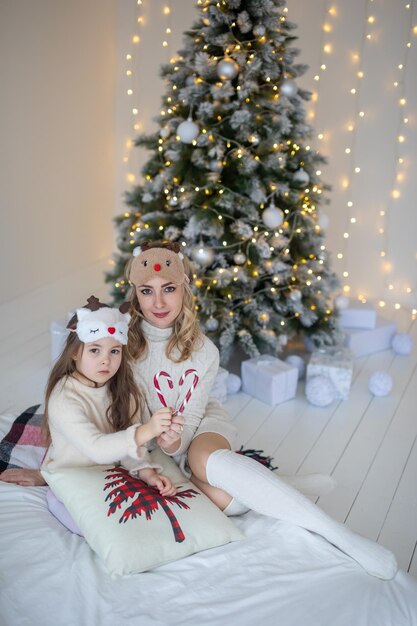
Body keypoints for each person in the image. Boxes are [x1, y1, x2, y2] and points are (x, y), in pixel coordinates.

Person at [125, 241, 398, 580]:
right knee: (234, 503)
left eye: (169, 288)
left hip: (201, 427)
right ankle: (278, 484)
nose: (159, 302)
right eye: (147, 291)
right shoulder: (124, 349)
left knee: (203, 460)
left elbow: (192, 420)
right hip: (156, 444)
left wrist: (174, 441)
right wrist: (161, 442)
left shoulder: (203, 352)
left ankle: (338, 535)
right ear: (135, 294)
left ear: (184, 289)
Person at [39, 296, 178, 531]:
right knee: (102, 528)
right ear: (74, 352)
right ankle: (56, 499)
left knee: (153, 517)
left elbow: (128, 446)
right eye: (95, 350)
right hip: (72, 476)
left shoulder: (123, 389)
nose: (106, 361)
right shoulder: (64, 397)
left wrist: (147, 474)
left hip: (107, 474)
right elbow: (98, 448)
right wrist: (147, 430)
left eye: (114, 351)